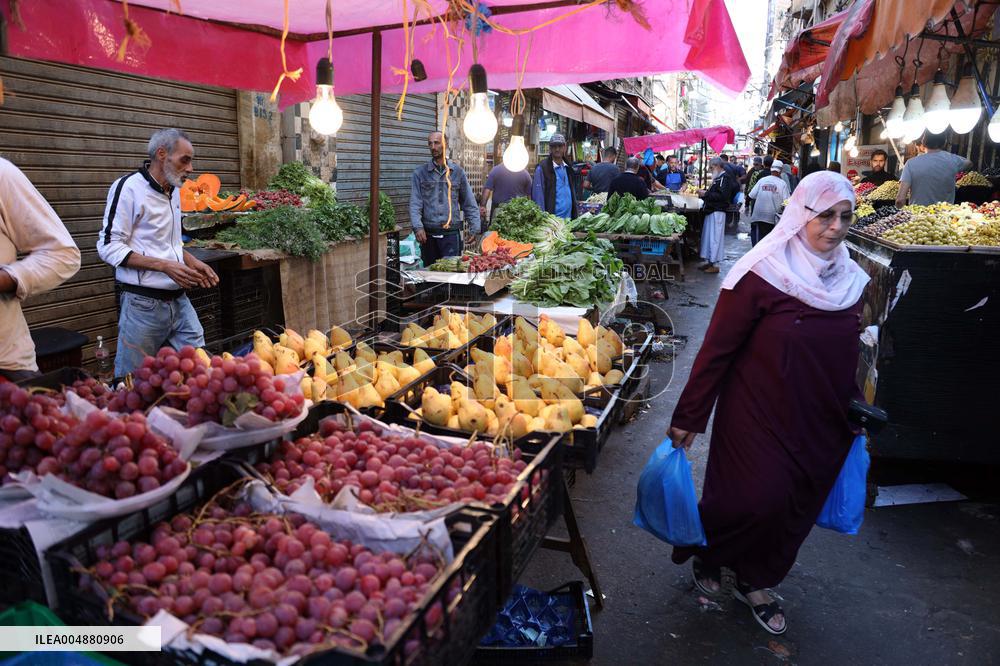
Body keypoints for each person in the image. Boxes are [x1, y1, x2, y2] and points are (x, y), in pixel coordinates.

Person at [667, 171, 870, 636]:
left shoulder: (851, 279)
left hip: (821, 415)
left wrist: (855, 406)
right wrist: (690, 416)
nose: (836, 227)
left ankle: (757, 579)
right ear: (800, 214)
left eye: (845, 216)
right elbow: (716, 350)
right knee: (752, 499)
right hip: (756, 411)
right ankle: (713, 552)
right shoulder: (761, 272)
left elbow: (847, 353)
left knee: (792, 506)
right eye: (825, 215)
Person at [98, 128, 219, 378]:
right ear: (162, 154)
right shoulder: (128, 188)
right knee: (132, 381)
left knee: (200, 371)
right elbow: (109, 246)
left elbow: (169, 242)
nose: (191, 168)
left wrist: (190, 260)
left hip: (179, 301)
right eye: (185, 160)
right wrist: (164, 266)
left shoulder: (174, 191)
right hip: (143, 305)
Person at [0, 158, 81, 381]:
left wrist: (7, 279)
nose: (189, 168)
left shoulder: (2, 174)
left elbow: (63, 254)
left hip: (6, 364)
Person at [410, 131, 481, 266]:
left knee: (450, 276)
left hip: (451, 235)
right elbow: (415, 203)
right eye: (430, 143)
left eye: (436, 143)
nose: (433, 147)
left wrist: (475, 227)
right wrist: (418, 227)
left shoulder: (458, 173)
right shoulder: (420, 174)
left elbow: (469, 203)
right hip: (428, 235)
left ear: (445, 144)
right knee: (430, 276)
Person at [895, 131, 972, 207]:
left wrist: (900, 215)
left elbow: (900, 199)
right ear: (944, 142)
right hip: (945, 216)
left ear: (923, 142)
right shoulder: (953, 160)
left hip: (918, 217)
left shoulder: (911, 164)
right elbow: (969, 163)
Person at [698, 157, 738, 274]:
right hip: (712, 211)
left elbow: (722, 196)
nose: (710, 170)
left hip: (718, 212)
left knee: (715, 238)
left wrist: (706, 194)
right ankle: (709, 261)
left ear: (717, 166)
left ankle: (714, 264)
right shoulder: (719, 178)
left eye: (711, 167)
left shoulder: (724, 178)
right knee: (709, 237)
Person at [532, 134, 578, 218]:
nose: (557, 149)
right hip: (552, 222)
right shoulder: (542, 168)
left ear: (564, 147)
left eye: (560, 146)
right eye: (554, 146)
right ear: (550, 148)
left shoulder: (568, 168)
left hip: (569, 220)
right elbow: (538, 198)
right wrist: (542, 219)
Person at [747, 160, 790, 246]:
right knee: (769, 244)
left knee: (758, 243)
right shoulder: (782, 184)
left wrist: (746, 205)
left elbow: (751, 196)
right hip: (772, 219)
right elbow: (787, 201)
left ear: (771, 169)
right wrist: (782, 208)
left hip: (758, 216)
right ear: (780, 171)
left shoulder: (762, 180)